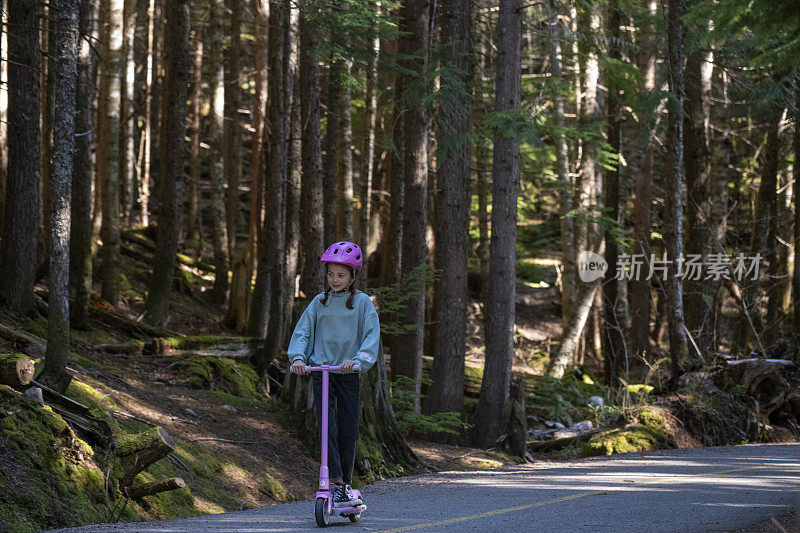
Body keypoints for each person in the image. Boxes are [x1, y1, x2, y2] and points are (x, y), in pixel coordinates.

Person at [287, 241, 380, 508]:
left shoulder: (362, 303)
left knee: (348, 429)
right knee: (326, 427)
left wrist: (359, 360)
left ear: (352, 276)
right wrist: (298, 358)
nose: (335, 280)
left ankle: (346, 484)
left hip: (347, 372)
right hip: (322, 371)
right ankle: (336, 483)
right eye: (331, 274)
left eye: (341, 275)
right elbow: (303, 332)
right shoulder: (320, 302)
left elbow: (371, 335)